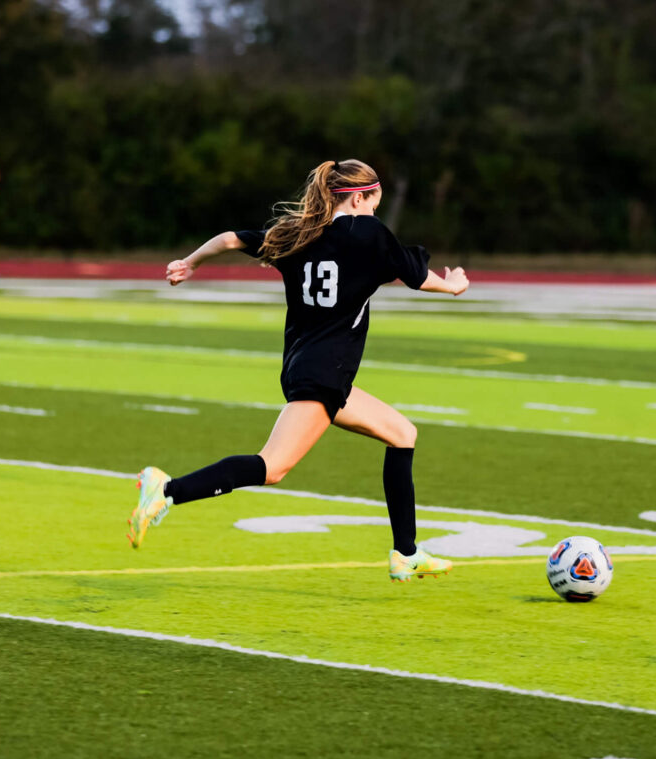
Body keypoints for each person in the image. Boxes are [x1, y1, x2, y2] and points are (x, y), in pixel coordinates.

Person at [128, 159, 470, 582]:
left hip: (308, 368)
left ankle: (406, 553)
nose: (375, 213)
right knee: (272, 467)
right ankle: (164, 490)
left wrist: (190, 262)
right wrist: (453, 284)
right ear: (359, 197)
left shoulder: (300, 233)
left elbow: (231, 238)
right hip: (323, 375)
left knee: (402, 434)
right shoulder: (369, 233)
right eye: (374, 203)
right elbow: (416, 276)